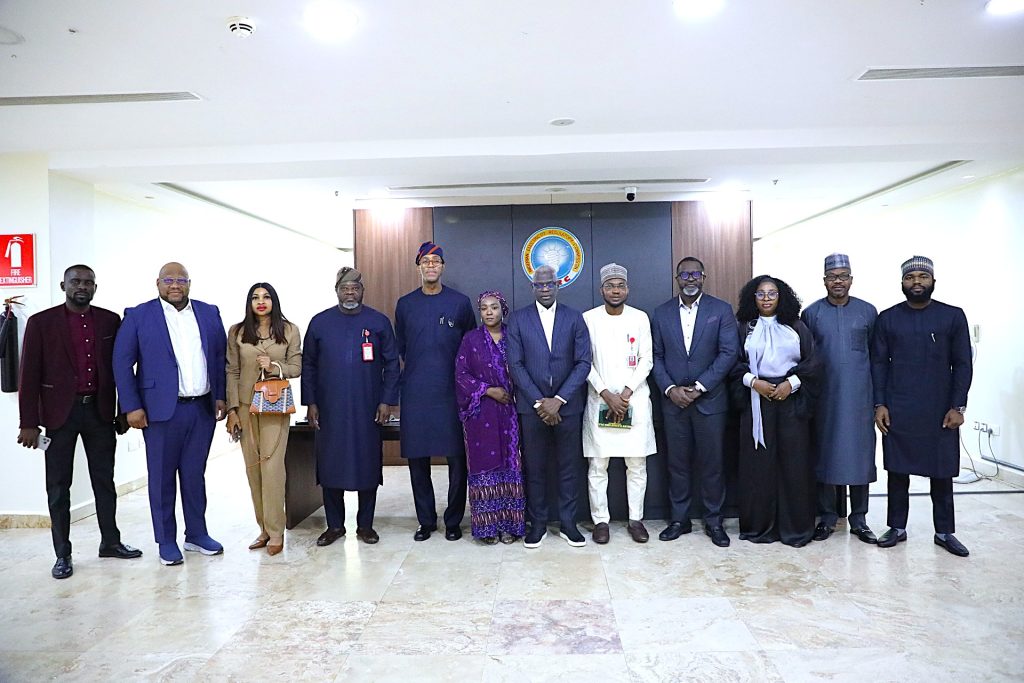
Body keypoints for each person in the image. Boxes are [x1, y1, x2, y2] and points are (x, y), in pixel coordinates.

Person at [17, 265, 142, 579]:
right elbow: (28, 375)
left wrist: (123, 410)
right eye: (75, 281)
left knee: (105, 481)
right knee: (59, 486)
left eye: (88, 282)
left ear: (95, 288)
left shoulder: (110, 320)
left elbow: (120, 369)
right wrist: (28, 422)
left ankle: (110, 542)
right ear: (64, 285)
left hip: (99, 412)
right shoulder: (41, 323)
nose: (82, 286)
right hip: (59, 415)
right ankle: (62, 554)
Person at [113, 262, 227, 566]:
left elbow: (219, 357)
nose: (175, 285)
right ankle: (166, 540)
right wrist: (131, 406)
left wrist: (221, 395)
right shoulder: (139, 315)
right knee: (162, 478)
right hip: (160, 412)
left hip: (201, 409)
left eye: (181, 280)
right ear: (158, 283)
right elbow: (122, 363)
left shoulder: (209, 312)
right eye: (168, 280)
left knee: (194, 475)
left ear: (189, 283)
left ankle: (197, 534)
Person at [872, 256, 972, 557]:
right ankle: (896, 527)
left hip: (939, 409)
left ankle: (944, 532)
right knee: (897, 471)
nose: (916, 282)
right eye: (910, 277)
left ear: (933, 281)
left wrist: (958, 406)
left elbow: (963, 364)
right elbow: (879, 363)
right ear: (902, 283)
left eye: (922, 276)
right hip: (899, 406)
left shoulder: (952, 316)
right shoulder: (888, 318)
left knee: (941, 471)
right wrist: (880, 403)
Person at [301, 267, 399, 546]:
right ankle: (335, 526)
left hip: (368, 407)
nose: (350, 293)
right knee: (331, 464)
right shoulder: (320, 322)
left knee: (367, 464)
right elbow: (309, 364)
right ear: (337, 291)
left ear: (362, 291)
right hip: (330, 408)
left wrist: (387, 401)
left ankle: (365, 525)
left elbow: (392, 363)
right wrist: (311, 402)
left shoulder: (378, 322)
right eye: (345, 289)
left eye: (355, 288)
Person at [651, 257, 738, 547]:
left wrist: (700, 387)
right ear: (677, 279)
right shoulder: (661, 313)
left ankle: (714, 521)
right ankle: (679, 520)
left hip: (710, 402)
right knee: (676, 464)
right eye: (684, 275)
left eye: (695, 274)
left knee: (713, 464)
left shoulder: (721, 310)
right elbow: (655, 356)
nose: (690, 279)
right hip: (673, 402)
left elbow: (728, 353)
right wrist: (670, 389)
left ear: (703, 277)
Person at [731, 275, 820, 547]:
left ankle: (794, 528)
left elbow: (813, 363)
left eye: (772, 293)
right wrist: (753, 382)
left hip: (791, 402)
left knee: (793, 464)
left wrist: (791, 384)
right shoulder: (744, 328)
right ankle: (760, 527)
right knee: (759, 466)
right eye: (761, 294)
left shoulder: (796, 327)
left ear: (782, 297)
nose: (767, 298)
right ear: (753, 298)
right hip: (756, 401)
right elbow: (732, 363)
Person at [395, 241, 476, 542]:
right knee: (418, 459)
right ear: (418, 266)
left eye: (436, 261)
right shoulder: (405, 304)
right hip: (416, 392)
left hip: (452, 392)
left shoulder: (460, 303)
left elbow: (471, 346)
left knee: (457, 459)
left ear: (443, 266)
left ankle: (453, 520)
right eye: (425, 261)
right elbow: (402, 346)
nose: (431, 266)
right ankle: (426, 521)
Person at [507, 264, 592, 548]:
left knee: (569, 468)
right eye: (539, 285)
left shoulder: (574, 317)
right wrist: (540, 403)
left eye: (549, 284)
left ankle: (568, 524)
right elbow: (515, 365)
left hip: (568, 407)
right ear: (532, 287)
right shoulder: (518, 319)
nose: (545, 289)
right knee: (535, 468)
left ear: (558, 285)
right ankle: (538, 524)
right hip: (532, 409)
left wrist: (559, 400)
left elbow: (583, 362)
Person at [801, 254, 878, 544]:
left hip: (860, 398)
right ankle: (827, 517)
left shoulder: (868, 312)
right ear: (824, 281)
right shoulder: (811, 314)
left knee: (860, 457)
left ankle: (859, 519)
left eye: (843, 276)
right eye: (833, 277)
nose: (838, 281)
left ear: (851, 280)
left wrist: (878, 401)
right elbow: (806, 358)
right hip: (825, 398)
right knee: (826, 454)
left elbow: (877, 357)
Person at [225, 283, 302, 556]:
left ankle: (277, 530)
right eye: (255, 297)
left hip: (273, 405)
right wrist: (232, 410)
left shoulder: (289, 330)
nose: (261, 301)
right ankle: (264, 529)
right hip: (245, 407)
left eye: (266, 297)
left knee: (272, 468)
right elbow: (232, 371)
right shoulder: (237, 332)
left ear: (274, 301)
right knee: (253, 469)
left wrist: (275, 366)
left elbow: (296, 367)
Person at [582, 264, 656, 544]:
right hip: (599, 399)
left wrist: (624, 393)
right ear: (601, 290)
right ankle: (600, 521)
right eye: (610, 286)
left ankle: (636, 519)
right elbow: (584, 362)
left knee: (636, 465)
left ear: (627, 289)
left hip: (633, 399)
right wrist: (606, 394)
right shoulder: (588, 319)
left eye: (620, 286)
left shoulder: (640, 318)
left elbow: (646, 359)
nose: (616, 290)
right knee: (597, 466)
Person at [454, 291, 526, 544]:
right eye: (484, 308)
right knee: (485, 466)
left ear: (502, 310)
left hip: (511, 412)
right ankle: (487, 527)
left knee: (511, 465)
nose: (488, 312)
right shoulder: (470, 339)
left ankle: (510, 525)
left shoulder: (514, 336)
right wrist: (488, 390)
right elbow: (461, 375)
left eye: (494, 307)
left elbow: (526, 367)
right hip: (481, 413)